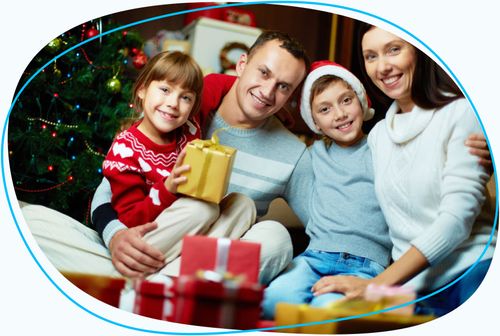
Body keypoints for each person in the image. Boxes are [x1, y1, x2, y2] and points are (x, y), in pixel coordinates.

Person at [23, 31, 312, 285]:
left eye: (284, 86)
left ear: (292, 95)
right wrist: (115, 235)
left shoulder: (293, 153)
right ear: (242, 65)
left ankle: (146, 286)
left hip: (210, 256)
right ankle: (150, 286)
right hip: (149, 235)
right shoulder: (185, 113)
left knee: (274, 237)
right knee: (31, 220)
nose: (268, 91)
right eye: (263, 72)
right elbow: (111, 185)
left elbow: (325, 224)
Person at [311, 24, 496, 316]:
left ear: (420, 52)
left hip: (470, 272)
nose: (382, 67)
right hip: (408, 288)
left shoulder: (461, 113)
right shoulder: (378, 136)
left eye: (393, 50)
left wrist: (375, 285)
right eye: (370, 57)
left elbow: (456, 221)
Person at [101, 51, 256, 272]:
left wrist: (271, 104)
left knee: (243, 205)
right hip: (150, 236)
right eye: (165, 90)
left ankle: (178, 271)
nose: (173, 103)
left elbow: (219, 82)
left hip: (188, 234)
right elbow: (128, 220)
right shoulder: (125, 151)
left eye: (186, 98)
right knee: (203, 210)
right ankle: (153, 267)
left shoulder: (190, 127)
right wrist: (167, 189)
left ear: (193, 106)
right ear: (142, 89)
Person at [262, 60, 392, 319]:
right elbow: (272, 144)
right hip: (314, 258)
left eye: (346, 101)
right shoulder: (314, 154)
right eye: (325, 109)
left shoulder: (383, 146)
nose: (340, 114)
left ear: (362, 102)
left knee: (327, 311)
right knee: (273, 300)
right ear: (315, 123)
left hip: (366, 267)